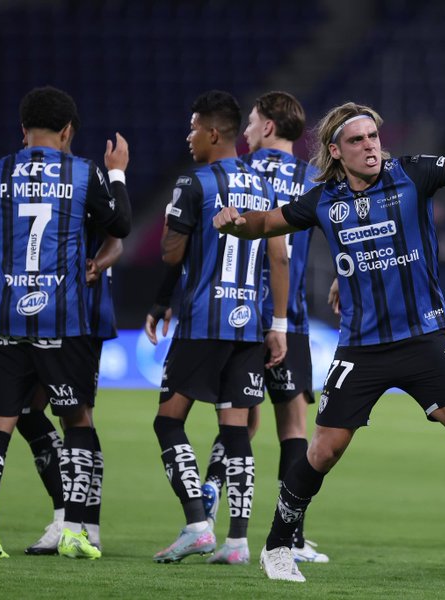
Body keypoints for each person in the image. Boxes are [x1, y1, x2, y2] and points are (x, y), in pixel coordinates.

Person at [213, 102, 445, 583]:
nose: (371, 146)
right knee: (322, 452)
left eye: (373, 137)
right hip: (363, 349)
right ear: (335, 151)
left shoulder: (412, 174)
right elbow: (266, 224)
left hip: (426, 339)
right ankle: (278, 546)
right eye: (358, 140)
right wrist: (236, 221)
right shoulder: (323, 200)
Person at [0, 86, 131, 560]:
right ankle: (75, 527)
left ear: (22, 128)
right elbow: (122, 225)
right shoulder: (83, 172)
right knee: (76, 419)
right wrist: (117, 173)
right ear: (68, 130)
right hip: (64, 318)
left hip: (4, 316)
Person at [174, 91, 327, 564]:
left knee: (241, 416)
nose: (245, 130)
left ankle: (214, 486)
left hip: (232, 309)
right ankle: (291, 536)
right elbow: (338, 226)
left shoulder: (238, 171)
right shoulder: (310, 176)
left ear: (267, 127)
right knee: (293, 423)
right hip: (288, 315)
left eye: (253, 121)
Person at [148, 90, 288, 565]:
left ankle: (196, 524)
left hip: (204, 322)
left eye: (192, 129)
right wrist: (277, 323)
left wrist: (174, 231)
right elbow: (277, 255)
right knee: (235, 432)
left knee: (168, 421)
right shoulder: (265, 186)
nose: (188, 138)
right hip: (249, 323)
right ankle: (237, 543)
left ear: (212, 133)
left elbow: (171, 252)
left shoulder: (195, 182)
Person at [19, 115, 126, 555]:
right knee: (27, 411)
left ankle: (80, 522)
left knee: (74, 415)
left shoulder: (88, 175)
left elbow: (117, 238)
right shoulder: (26, 182)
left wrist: (97, 265)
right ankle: (69, 515)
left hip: (82, 315)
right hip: (37, 314)